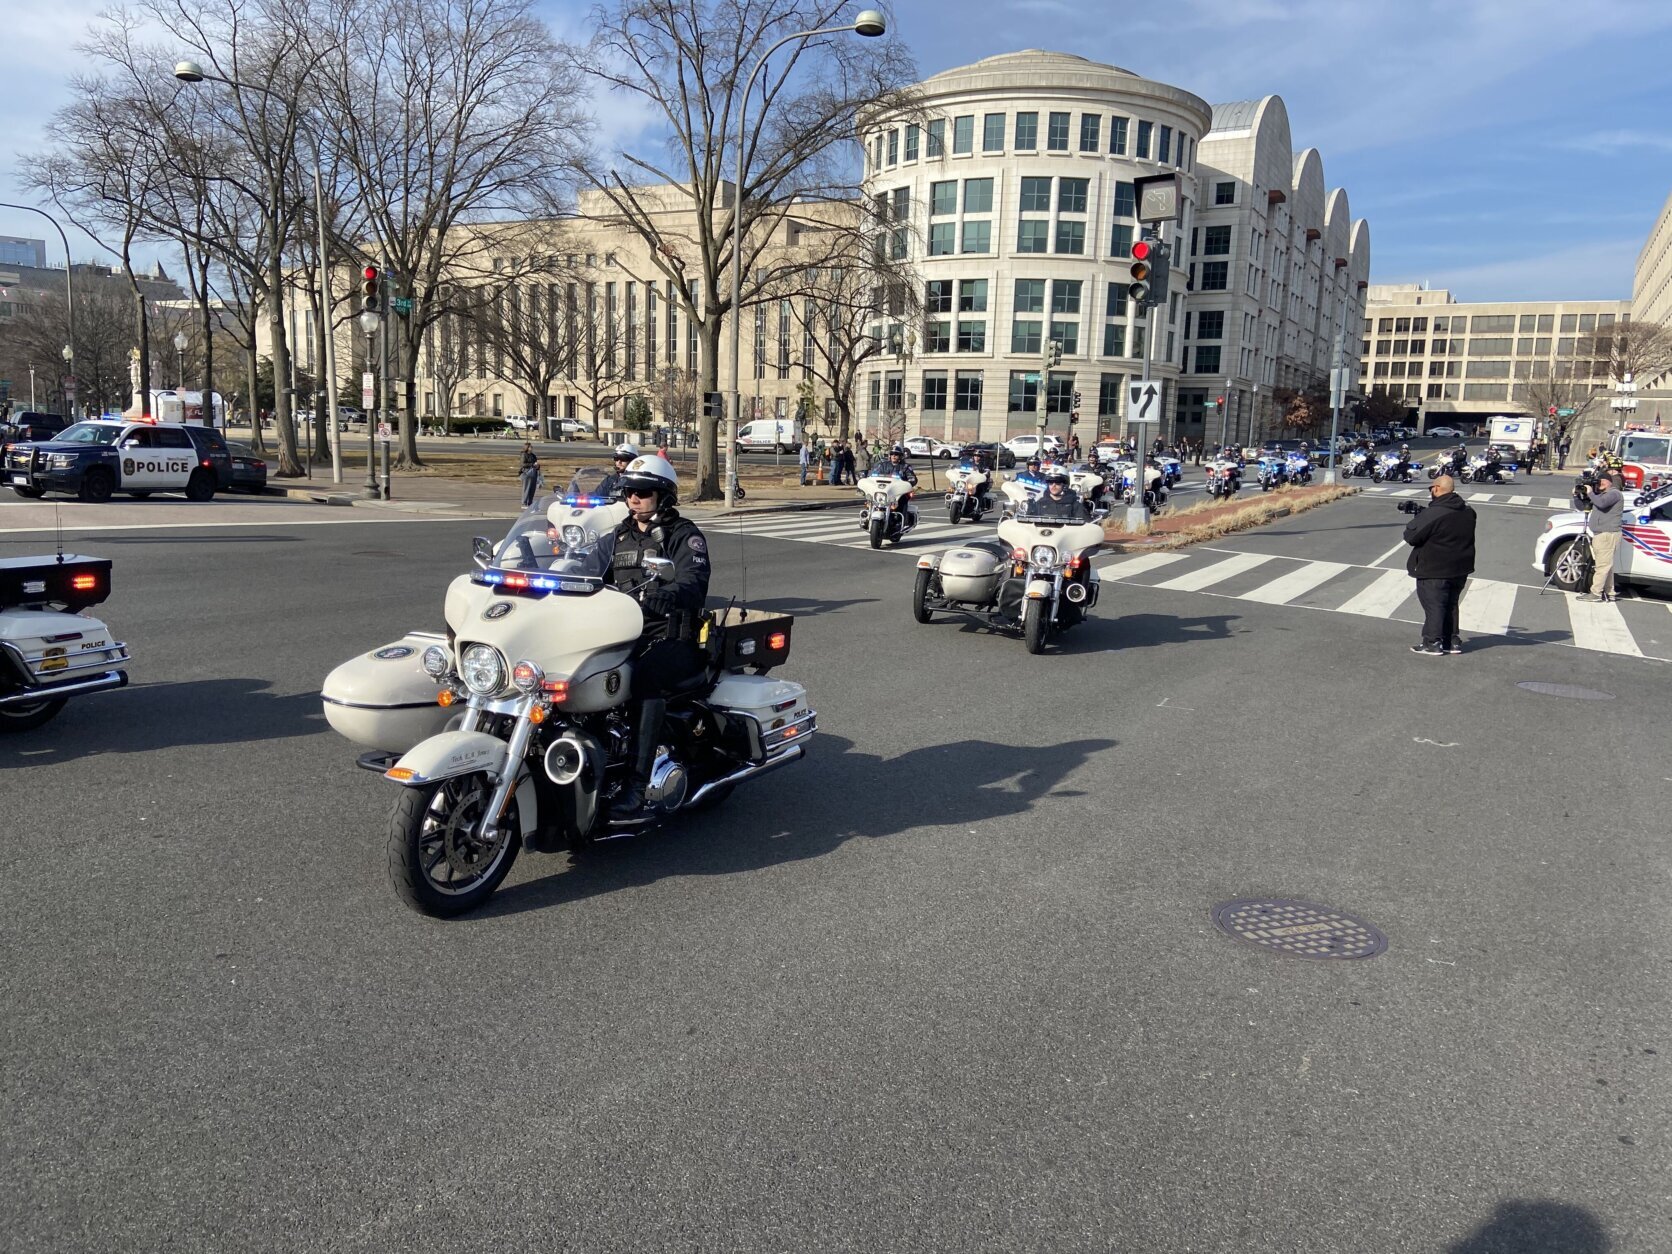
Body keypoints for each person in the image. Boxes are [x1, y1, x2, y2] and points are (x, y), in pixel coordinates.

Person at [603, 453, 712, 815]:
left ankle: (636, 785)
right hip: (624, 633)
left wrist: (669, 592)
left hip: (673, 637)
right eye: (629, 490)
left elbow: (693, 581)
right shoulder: (618, 535)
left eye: (643, 491)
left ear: (663, 495)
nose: (634, 497)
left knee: (644, 678)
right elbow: (587, 572)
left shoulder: (684, 536)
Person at [1403, 473, 1477, 656]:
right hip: (1460, 568)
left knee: (1434, 604)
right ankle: (1451, 641)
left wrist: (1418, 518)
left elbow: (1411, 536)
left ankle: (1432, 642)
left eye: (1431, 488)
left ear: (1436, 489)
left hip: (1434, 568)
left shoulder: (1434, 513)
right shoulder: (1468, 511)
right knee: (1451, 604)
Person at [1579, 471, 1622, 603]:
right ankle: (1610, 592)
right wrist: (1577, 495)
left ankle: (1596, 593)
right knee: (1606, 566)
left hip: (1607, 535)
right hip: (1601, 535)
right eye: (1599, 481)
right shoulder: (1600, 495)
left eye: (1603, 480)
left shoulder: (1614, 493)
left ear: (1610, 481)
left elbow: (1602, 503)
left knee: (1602, 567)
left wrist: (1591, 492)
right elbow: (1582, 506)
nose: (1600, 483)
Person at [519, 442, 542, 507]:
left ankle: (530, 502)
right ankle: (524, 502)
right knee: (526, 488)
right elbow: (522, 464)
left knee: (532, 488)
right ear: (527, 448)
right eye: (530, 447)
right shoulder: (524, 455)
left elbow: (536, 463)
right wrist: (532, 464)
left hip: (534, 473)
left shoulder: (533, 455)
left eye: (531, 447)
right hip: (526, 473)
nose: (531, 448)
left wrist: (537, 466)